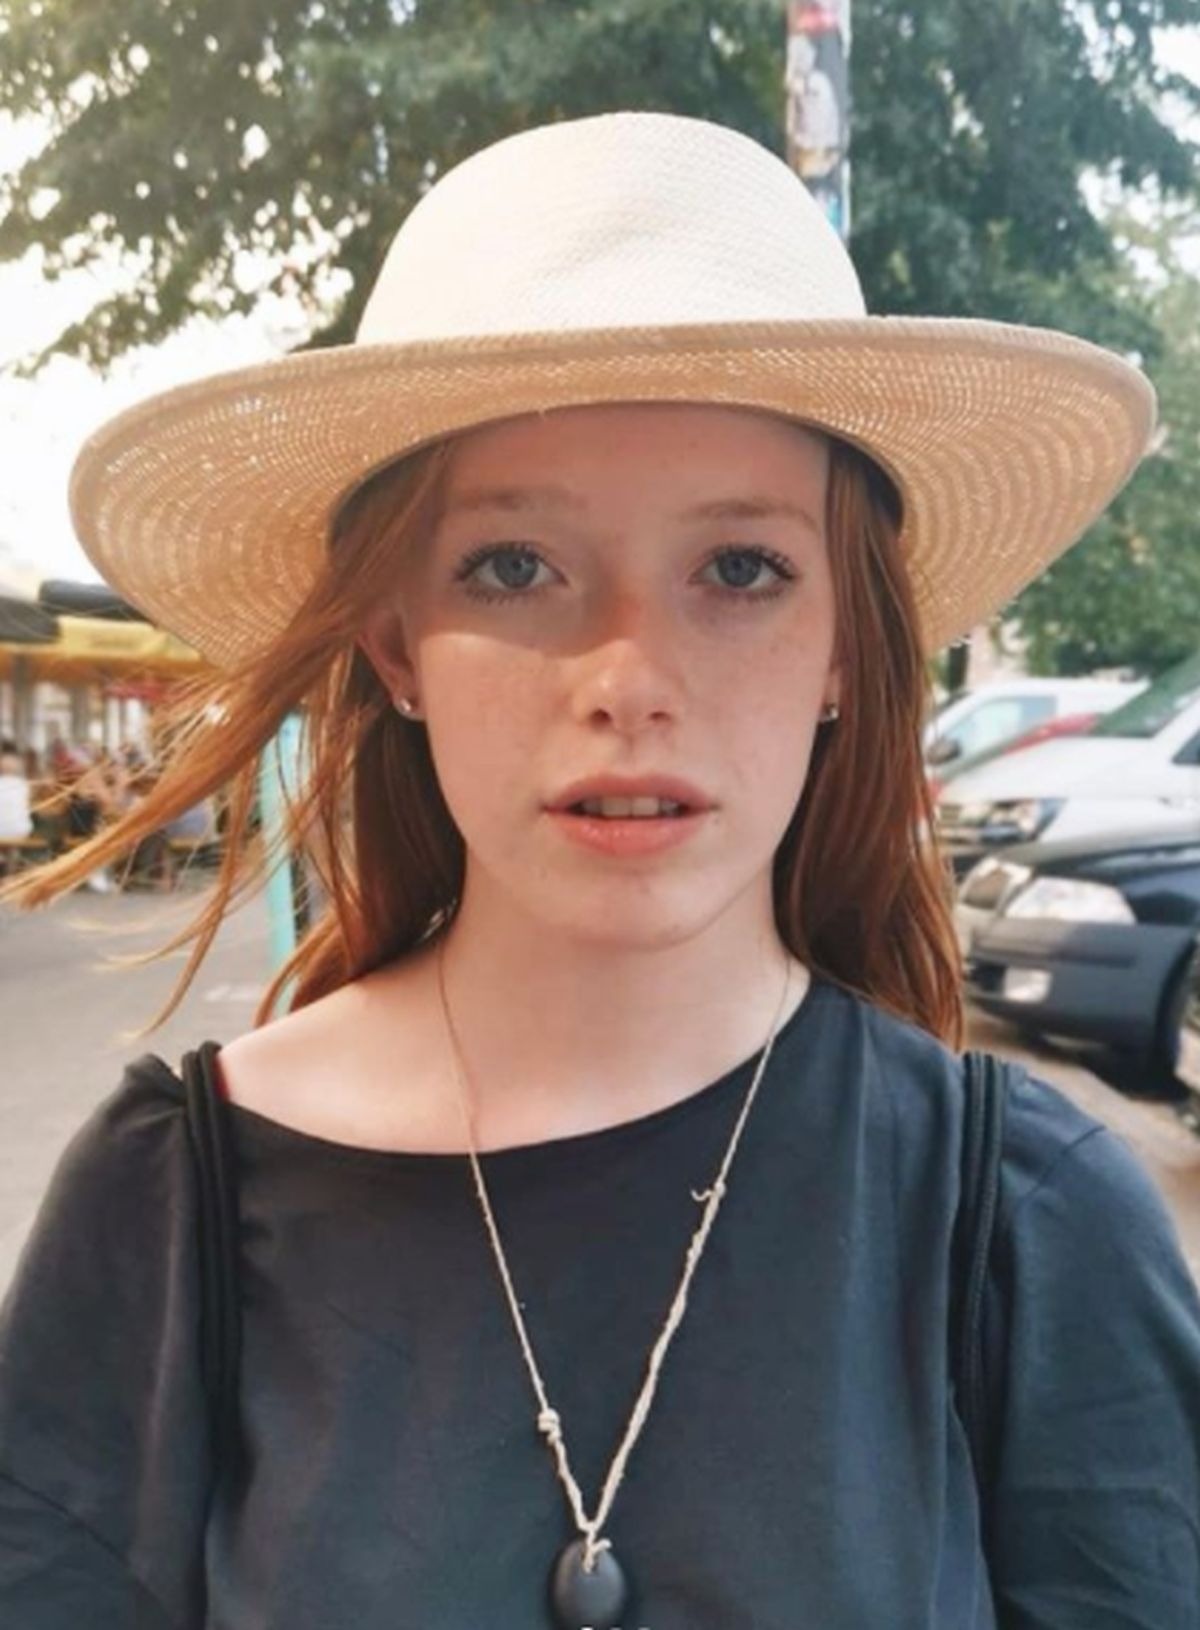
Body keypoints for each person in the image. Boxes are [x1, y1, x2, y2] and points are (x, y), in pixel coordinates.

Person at [0, 111, 1197, 1629]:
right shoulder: (173, 1210)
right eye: (515, 566)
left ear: (846, 644)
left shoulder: (1029, 1226)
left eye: (742, 568)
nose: (630, 677)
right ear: (396, 645)